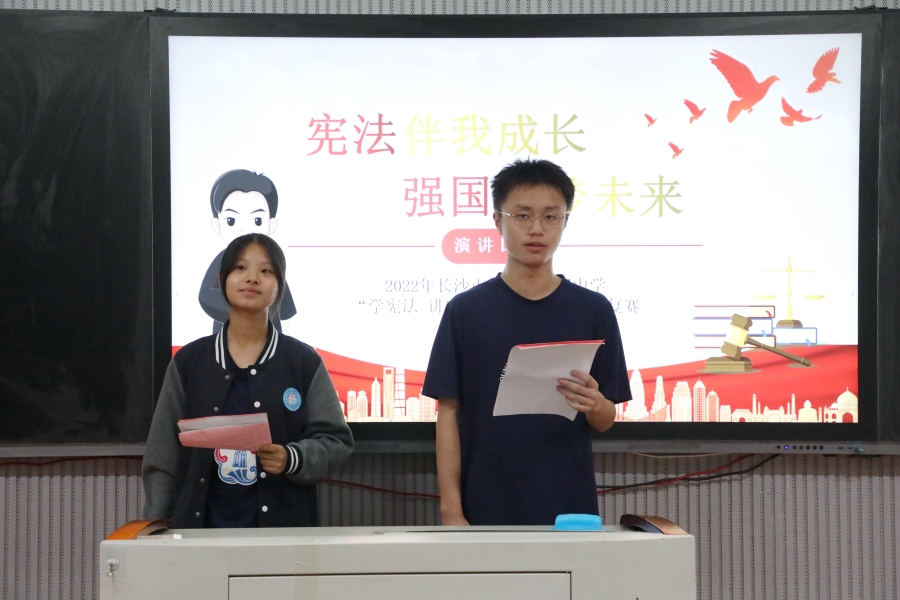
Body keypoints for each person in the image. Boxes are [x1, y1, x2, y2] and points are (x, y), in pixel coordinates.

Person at [422, 158, 631, 526]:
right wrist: (451, 510)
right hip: (485, 502)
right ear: (498, 221)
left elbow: (605, 419)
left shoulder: (593, 310)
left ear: (565, 221)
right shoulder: (466, 311)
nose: (537, 229)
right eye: (522, 216)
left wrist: (595, 403)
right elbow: (448, 413)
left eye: (550, 217)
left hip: (569, 504)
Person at [143, 233, 353, 528]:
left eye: (266, 271)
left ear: (279, 286)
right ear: (222, 279)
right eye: (240, 268)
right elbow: (162, 454)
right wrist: (154, 525)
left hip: (282, 536)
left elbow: (336, 441)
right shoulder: (189, 362)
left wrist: (292, 457)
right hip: (197, 536)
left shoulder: (303, 362)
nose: (252, 278)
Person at [199, 169, 297, 333]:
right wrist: (240, 310)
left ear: (272, 223)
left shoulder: (271, 256)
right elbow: (206, 296)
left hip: (271, 327)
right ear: (217, 223)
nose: (252, 278)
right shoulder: (224, 258)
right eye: (231, 220)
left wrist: (286, 313)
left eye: (257, 220)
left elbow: (281, 285)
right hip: (228, 329)